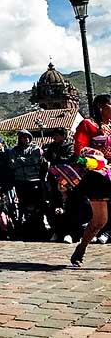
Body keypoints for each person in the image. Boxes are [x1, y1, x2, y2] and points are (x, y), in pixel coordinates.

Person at [68, 94, 111, 266]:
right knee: (100, 221)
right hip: (99, 177)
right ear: (101, 107)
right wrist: (96, 154)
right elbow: (79, 149)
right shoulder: (88, 124)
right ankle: (82, 247)